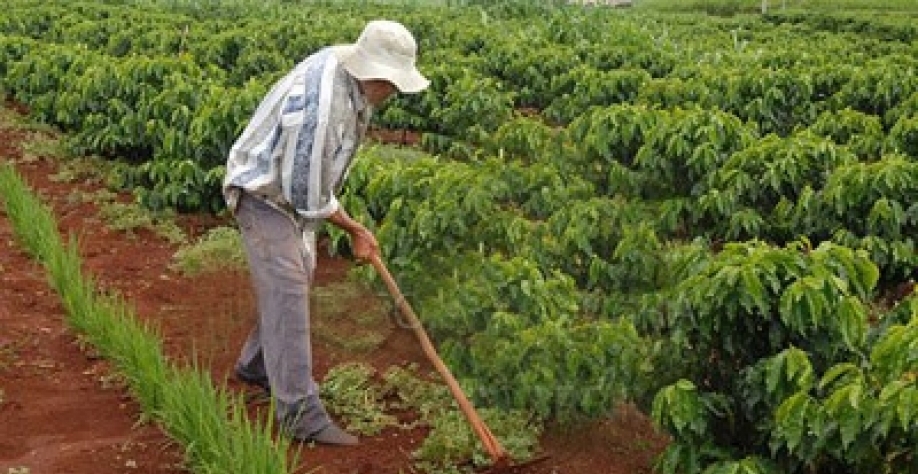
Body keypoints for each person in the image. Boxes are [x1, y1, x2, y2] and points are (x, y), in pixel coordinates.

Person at [222, 20, 429, 446]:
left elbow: (313, 184)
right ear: (372, 74)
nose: (391, 93)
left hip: (288, 193)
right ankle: (301, 415)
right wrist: (355, 229)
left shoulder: (351, 77)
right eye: (390, 84)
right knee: (289, 287)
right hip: (264, 195)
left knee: (293, 281)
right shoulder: (320, 106)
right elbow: (305, 193)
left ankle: (256, 366)